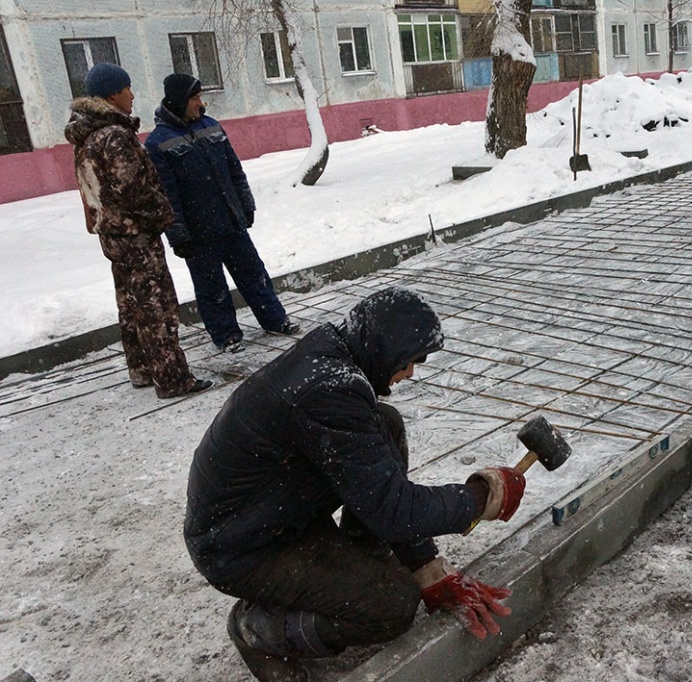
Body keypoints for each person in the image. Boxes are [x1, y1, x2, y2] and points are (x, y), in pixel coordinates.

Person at [183, 286, 527, 682]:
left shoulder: (335, 357)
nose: (411, 373)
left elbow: (383, 495)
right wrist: (485, 496)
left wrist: (426, 568)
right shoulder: (328, 390)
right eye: (409, 361)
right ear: (383, 349)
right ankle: (257, 629)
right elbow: (397, 509)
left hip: (271, 512)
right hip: (239, 545)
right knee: (392, 606)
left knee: (386, 424)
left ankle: (362, 562)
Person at [64, 63, 212, 399]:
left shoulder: (87, 136)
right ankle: (173, 379)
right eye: (127, 88)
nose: (132, 94)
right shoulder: (114, 135)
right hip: (136, 235)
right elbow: (131, 189)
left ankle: (142, 369)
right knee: (156, 307)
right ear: (112, 93)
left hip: (113, 234)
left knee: (130, 305)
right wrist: (162, 213)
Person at [145, 74, 300, 354]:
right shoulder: (158, 143)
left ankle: (275, 319)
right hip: (198, 234)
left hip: (231, 222)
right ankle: (226, 335)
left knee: (255, 275)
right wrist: (178, 234)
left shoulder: (211, 126)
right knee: (211, 288)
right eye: (194, 98)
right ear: (180, 100)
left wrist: (246, 204)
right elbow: (167, 195)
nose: (200, 103)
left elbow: (234, 169)